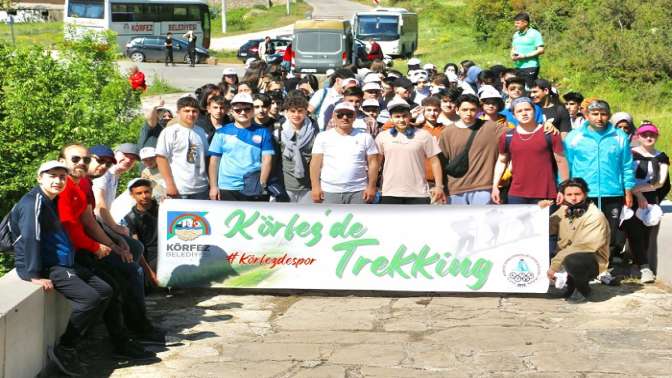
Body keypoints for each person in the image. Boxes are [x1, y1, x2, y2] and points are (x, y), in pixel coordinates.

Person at [12, 161, 113, 376]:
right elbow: (29, 238)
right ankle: (65, 348)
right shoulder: (33, 203)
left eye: (61, 176)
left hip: (65, 261)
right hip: (50, 266)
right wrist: (31, 274)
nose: (58, 181)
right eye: (52, 176)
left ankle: (77, 342)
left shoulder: (54, 200)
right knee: (90, 299)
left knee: (105, 291)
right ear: (40, 178)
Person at [57, 144, 159, 358]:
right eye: (77, 160)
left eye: (86, 160)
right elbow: (74, 227)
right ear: (62, 161)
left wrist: (114, 244)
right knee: (122, 278)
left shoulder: (81, 184)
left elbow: (89, 220)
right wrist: (102, 245)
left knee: (122, 273)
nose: (83, 164)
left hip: (84, 248)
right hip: (70, 254)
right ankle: (131, 332)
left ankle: (127, 335)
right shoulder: (67, 187)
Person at [564, 100, 635, 281]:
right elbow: (567, 166)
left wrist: (628, 190)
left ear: (609, 115)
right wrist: (566, 191)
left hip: (612, 193)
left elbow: (627, 166)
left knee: (607, 234)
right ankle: (580, 270)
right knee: (581, 233)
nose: (599, 118)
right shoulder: (574, 137)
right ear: (586, 115)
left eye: (603, 114)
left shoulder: (619, 136)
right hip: (583, 195)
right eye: (594, 114)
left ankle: (603, 270)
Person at [542, 178, 610, 303]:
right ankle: (571, 285)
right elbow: (544, 230)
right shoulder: (564, 210)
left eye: (577, 194)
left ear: (585, 194)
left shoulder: (595, 216)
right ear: (563, 196)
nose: (573, 198)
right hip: (564, 256)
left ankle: (583, 289)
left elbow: (584, 246)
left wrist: (555, 265)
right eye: (569, 194)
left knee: (574, 259)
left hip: (591, 260)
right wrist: (541, 212)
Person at [491, 97, 569, 204]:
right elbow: (502, 161)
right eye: (519, 111)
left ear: (535, 111)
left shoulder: (550, 133)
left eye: (527, 109)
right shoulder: (507, 136)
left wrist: (564, 187)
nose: (524, 113)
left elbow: (561, 161)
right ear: (514, 115)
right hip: (516, 193)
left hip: (545, 193)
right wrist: (495, 186)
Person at [621, 123, 669, 283]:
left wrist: (643, 192)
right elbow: (625, 177)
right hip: (630, 196)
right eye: (644, 135)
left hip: (650, 198)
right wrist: (638, 194)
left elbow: (660, 182)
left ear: (657, 136)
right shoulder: (630, 153)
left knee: (646, 232)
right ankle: (643, 265)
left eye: (652, 135)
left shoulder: (661, 156)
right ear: (638, 137)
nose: (649, 138)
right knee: (633, 229)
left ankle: (638, 264)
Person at [438, 94, 505, 205]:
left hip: (483, 188)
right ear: (457, 110)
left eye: (473, 110)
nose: (468, 113)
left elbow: (520, 132)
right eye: (465, 110)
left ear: (479, 110)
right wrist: (441, 187)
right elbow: (441, 162)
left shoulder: (492, 128)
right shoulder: (447, 132)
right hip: (455, 189)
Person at [375, 99, 445, 205]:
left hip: (419, 193)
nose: (401, 120)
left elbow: (435, 161)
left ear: (410, 116)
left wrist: (439, 186)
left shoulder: (424, 135)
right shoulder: (382, 136)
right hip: (390, 192)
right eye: (397, 117)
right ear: (391, 118)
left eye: (404, 116)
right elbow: (376, 164)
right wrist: (371, 185)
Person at [208, 93, 275, 202]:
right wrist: (213, 187)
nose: (242, 112)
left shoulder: (263, 132)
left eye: (247, 109)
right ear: (231, 111)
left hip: (253, 187)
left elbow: (267, 160)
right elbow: (214, 161)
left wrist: (262, 184)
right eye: (238, 110)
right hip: (227, 187)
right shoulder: (221, 132)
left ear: (252, 111)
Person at [310, 102, 379, 204]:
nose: (345, 117)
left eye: (349, 114)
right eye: (340, 115)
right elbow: (315, 163)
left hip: (359, 191)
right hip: (329, 191)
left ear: (355, 117)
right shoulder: (322, 137)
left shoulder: (365, 137)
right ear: (333, 116)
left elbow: (373, 163)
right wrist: (315, 187)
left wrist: (371, 187)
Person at [156, 96, 210, 199]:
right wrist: (170, 185)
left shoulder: (201, 132)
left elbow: (207, 157)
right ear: (178, 112)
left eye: (194, 111)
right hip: (180, 189)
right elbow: (161, 158)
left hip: (201, 188)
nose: (191, 114)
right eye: (187, 111)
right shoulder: (170, 132)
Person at [277, 94, 319, 203]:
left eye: (300, 111)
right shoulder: (278, 131)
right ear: (286, 112)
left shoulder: (314, 131)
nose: (296, 114)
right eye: (292, 111)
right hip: (285, 185)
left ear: (306, 112)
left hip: (308, 186)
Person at [123, 178, 159, 288]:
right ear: (132, 195)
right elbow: (137, 247)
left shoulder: (163, 207)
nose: (144, 196)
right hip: (150, 256)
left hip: (170, 251)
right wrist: (150, 273)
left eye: (146, 192)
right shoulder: (130, 218)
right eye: (139, 193)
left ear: (151, 191)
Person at [511, 12, 545, 87]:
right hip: (518, 67)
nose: (515, 25)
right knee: (519, 88)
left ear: (525, 23)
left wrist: (525, 56)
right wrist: (512, 56)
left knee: (529, 89)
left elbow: (541, 50)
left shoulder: (535, 33)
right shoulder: (516, 34)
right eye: (515, 23)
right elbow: (513, 48)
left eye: (518, 23)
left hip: (531, 66)